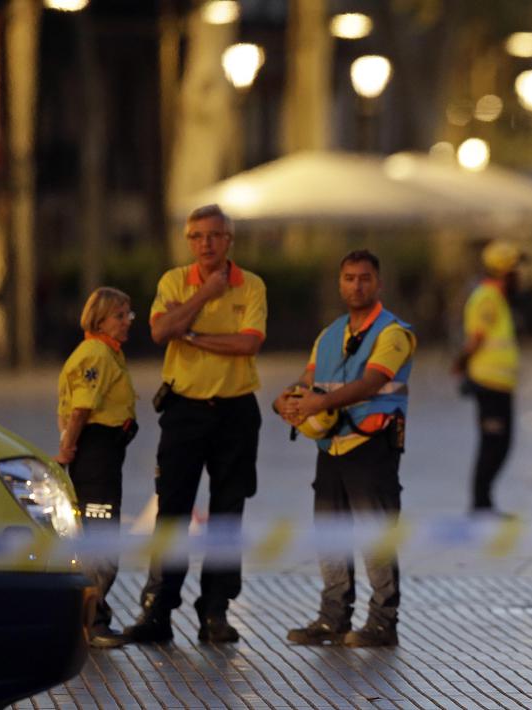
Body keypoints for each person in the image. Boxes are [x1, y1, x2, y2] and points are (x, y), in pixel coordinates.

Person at [127, 203, 267, 644]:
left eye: (214, 235)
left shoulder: (251, 285)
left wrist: (192, 335)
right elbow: (159, 331)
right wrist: (205, 294)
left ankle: (215, 610)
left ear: (229, 240)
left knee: (227, 513)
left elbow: (248, 344)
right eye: (197, 236)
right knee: (171, 509)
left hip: (236, 411)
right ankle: (158, 610)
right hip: (184, 410)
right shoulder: (173, 281)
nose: (206, 243)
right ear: (188, 241)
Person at [276, 250, 416, 648]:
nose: (357, 285)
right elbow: (306, 380)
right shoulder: (330, 334)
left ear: (378, 283)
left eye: (365, 278)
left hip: (373, 443)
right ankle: (332, 619)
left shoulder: (394, 333)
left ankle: (383, 622)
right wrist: (285, 400)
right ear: (340, 284)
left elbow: (372, 382)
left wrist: (318, 403)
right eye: (350, 278)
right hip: (332, 446)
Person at [56, 287, 138, 649]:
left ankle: (93, 616)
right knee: (100, 540)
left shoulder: (107, 352)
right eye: (119, 315)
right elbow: (80, 409)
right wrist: (68, 448)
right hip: (95, 455)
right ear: (99, 319)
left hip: (105, 453)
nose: (127, 322)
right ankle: (90, 621)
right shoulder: (96, 354)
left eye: (128, 314)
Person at [454, 240, 521, 514]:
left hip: (500, 383)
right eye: (516, 269)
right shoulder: (487, 297)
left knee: (499, 443)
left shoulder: (496, 297)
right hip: (489, 383)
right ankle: (481, 504)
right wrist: (460, 363)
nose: (520, 275)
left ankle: (484, 502)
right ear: (505, 271)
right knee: (493, 443)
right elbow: (476, 337)